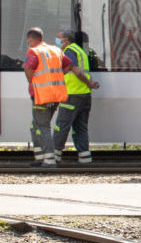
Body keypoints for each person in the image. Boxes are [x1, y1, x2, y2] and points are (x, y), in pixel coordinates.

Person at [23, 27, 70, 168]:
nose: (28, 42)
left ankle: (49, 160)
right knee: (35, 126)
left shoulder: (34, 51)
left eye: (28, 39)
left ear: (31, 38)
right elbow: (68, 65)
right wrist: (58, 77)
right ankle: (40, 157)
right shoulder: (55, 50)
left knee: (43, 127)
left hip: (41, 95)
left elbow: (27, 67)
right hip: (55, 95)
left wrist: (32, 81)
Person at [52, 29, 100, 164]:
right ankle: (85, 157)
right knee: (80, 126)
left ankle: (54, 156)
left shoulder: (69, 51)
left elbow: (77, 72)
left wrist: (89, 83)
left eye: (59, 38)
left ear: (66, 40)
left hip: (72, 94)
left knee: (62, 125)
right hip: (85, 95)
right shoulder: (79, 50)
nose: (57, 41)